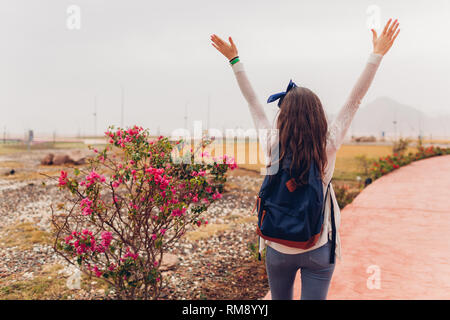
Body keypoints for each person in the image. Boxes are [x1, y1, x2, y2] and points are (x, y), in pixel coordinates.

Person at [211, 19, 400, 300]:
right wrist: (377, 55)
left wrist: (234, 60)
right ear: (317, 115)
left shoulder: (271, 144)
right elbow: (354, 101)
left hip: (277, 248)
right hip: (318, 247)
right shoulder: (327, 147)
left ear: (283, 116)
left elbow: (253, 102)